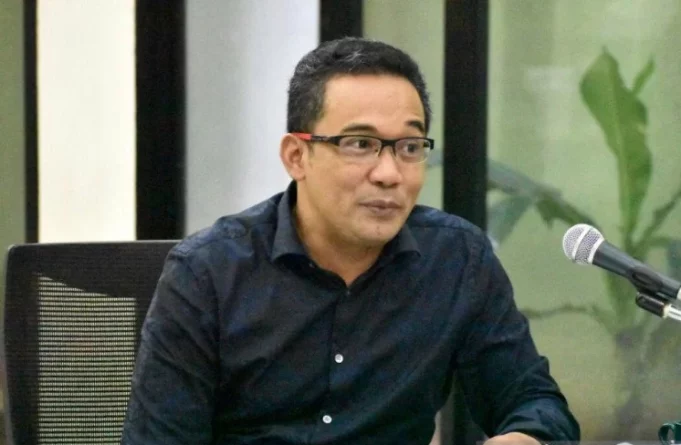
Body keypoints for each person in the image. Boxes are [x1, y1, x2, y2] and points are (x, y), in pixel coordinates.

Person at [121, 37, 580, 445]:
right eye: (360, 144)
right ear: (297, 156)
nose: (389, 174)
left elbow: (536, 403)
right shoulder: (208, 273)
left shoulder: (457, 259)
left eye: (410, 147)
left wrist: (524, 437)